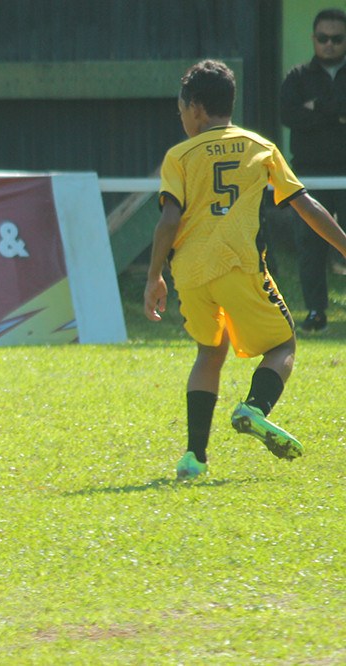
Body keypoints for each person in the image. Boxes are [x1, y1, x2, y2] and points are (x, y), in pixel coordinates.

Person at [145, 60, 346, 481]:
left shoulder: (179, 156)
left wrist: (154, 277)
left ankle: (193, 458)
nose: (182, 118)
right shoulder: (260, 146)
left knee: (209, 352)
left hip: (190, 273)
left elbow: (169, 220)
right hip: (237, 264)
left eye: (181, 110)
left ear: (196, 108)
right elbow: (306, 206)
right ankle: (255, 407)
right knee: (283, 344)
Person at [279, 8, 346, 333]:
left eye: (337, 38)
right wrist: (336, 114)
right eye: (323, 38)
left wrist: (316, 106)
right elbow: (289, 115)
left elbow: (305, 115)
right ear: (313, 39)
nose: (329, 44)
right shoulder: (297, 77)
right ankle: (316, 311)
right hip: (309, 174)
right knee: (310, 244)